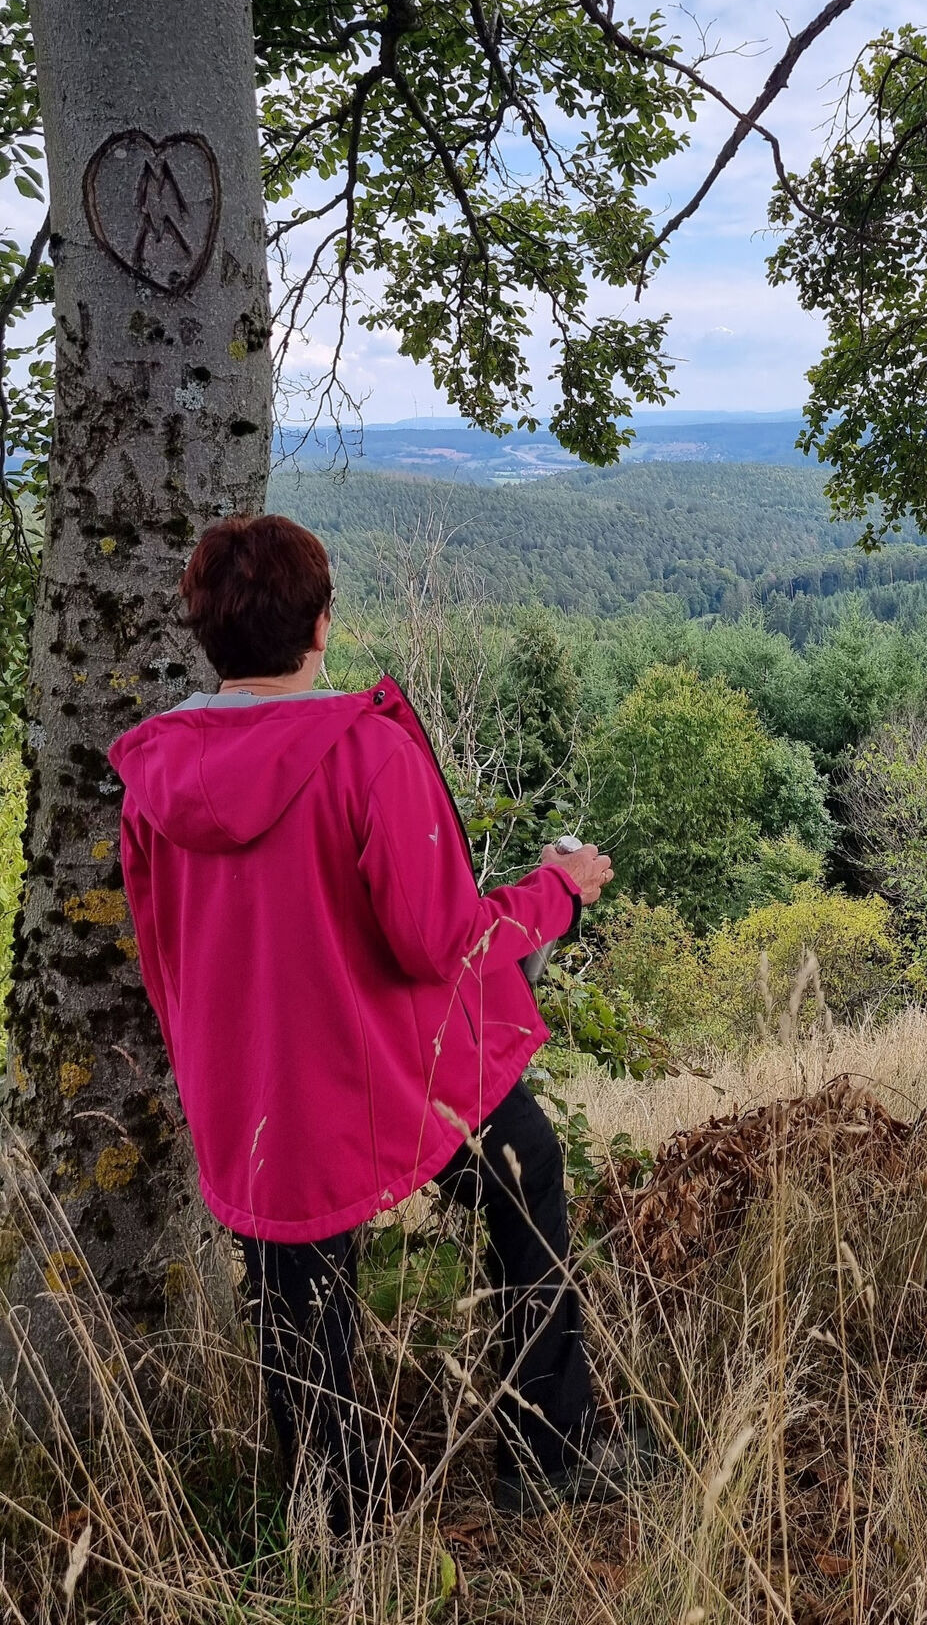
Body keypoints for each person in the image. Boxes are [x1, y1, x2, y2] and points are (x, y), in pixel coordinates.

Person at [108, 513, 615, 1526]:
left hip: (256, 1094)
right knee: (524, 1171)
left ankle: (337, 1535)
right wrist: (557, 892)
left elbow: (164, 956)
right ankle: (551, 1453)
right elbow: (440, 942)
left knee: (300, 1312)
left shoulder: (155, 780)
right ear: (321, 624)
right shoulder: (364, 754)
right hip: (396, 1069)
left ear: (204, 633)